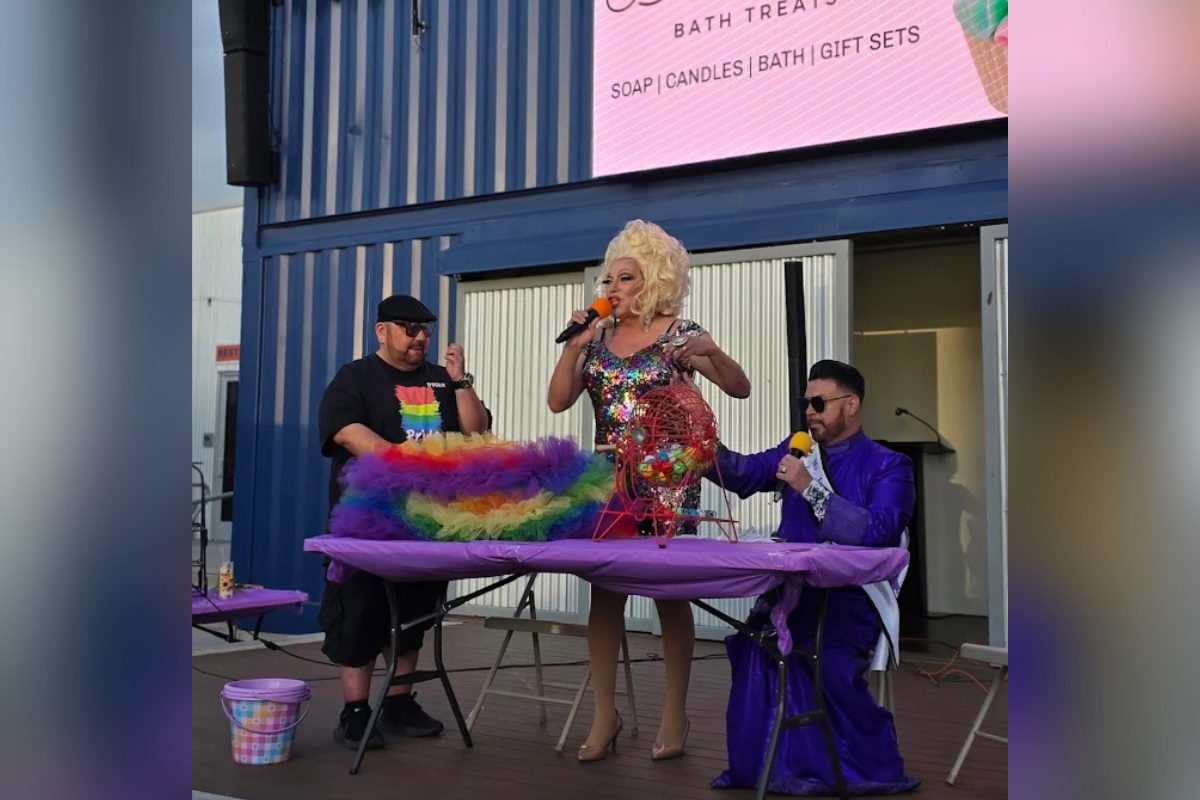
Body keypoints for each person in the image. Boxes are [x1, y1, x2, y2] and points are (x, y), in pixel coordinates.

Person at [546, 219, 752, 763]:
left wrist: (710, 351)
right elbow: (557, 402)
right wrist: (574, 347)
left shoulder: (677, 332)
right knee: (605, 594)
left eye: (626, 278)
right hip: (607, 479)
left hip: (666, 482)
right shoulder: (597, 339)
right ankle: (604, 714)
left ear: (653, 281)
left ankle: (673, 712)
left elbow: (740, 387)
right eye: (608, 278)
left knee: (670, 594)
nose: (612, 288)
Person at [710, 359, 919, 795]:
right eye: (806, 403)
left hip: (850, 599)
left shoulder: (890, 465)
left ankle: (842, 770)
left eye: (819, 403)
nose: (809, 412)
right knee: (754, 647)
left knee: (822, 660)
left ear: (852, 404)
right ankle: (766, 766)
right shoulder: (799, 448)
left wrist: (810, 488)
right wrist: (699, 447)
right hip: (790, 593)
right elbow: (746, 474)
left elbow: (879, 533)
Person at [317, 294, 491, 750]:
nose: (420, 337)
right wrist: (406, 464)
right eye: (409, 328)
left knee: (415, 614)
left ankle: (398, 702)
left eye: (426, 330)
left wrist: (460, 381)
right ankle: (354, 711)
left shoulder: (440, 379)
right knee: (359, 610)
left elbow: (476, 432)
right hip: (367, 521)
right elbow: (348, 432)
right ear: (382, 331)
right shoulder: (354, 377)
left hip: (428, 522)